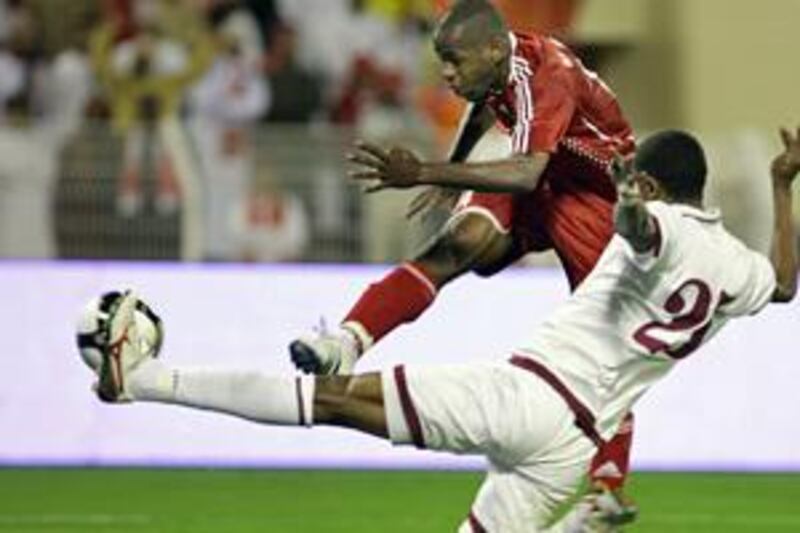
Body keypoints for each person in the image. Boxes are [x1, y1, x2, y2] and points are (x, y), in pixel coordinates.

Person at [84, 127, 800, 531]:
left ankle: (141, 376)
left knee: (329, 399)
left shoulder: (659, 219)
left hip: (527, 397)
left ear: (647, 183)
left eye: (633, 180)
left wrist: (630, 212)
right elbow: (787, 285)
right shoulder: (736, 265)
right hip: (571, 447)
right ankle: (577, 527)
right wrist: (780, 186)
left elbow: (646, 234)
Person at [289, 0, 636, 510]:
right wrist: (454, 167)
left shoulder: (551, 76)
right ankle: (347, 341)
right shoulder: (501, 69)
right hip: (543, 178)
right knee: (459, 242)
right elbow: (486, 110)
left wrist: (428, 172)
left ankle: (607, 484)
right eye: (443, 60)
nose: (446, 73)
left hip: (594, 198)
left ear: (494, 48)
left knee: (607, 344)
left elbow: (524, 174)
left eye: (454, 61)